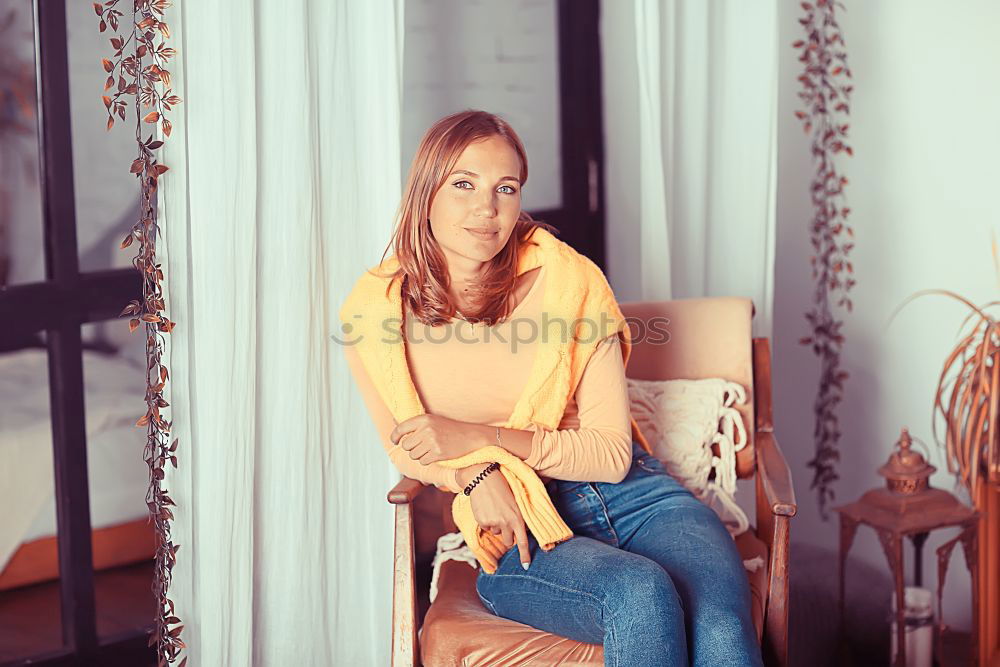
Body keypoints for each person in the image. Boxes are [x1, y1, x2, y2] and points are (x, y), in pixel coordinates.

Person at [341, 109, 763, 666]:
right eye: (463, 184)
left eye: (505, 188)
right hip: (521, 525)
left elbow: (612, 456)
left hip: (641, 500)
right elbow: (408, 444)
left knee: (720, 622)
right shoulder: (374, 311)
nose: (485, 208)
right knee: (639, 593)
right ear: (425, 192)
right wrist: (474, 474)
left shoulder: (572, 284)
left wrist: (475, 436)